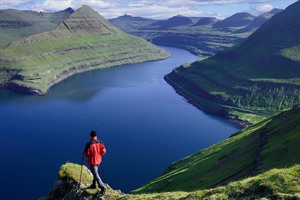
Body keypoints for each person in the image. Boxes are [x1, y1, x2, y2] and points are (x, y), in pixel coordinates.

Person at [83, 130, 106, 195]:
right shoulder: (100, 142)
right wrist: (98, 154)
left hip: (93, 161)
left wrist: (83, 153)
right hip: (98, 160)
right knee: (95, 173)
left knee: (96, 174)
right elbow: (104, 151)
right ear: (96, 135)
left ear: (90, 135)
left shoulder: (89, 144)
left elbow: (87, 154)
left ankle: (102, 187)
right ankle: (94, 185)